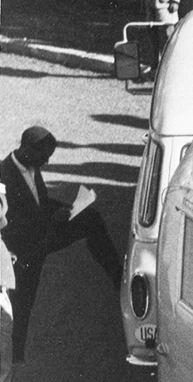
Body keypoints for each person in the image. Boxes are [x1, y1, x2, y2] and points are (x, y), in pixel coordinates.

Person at [1, 127, 124, 366]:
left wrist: (63, 209)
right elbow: (9, 223)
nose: (46, 162)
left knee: (91, 219)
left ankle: (118, 276)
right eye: (43, 156)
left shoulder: (31, 167)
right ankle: (14, 359)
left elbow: (41, 202)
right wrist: (51, 220)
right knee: (21, 302)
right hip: (26, 249)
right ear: (27, 149)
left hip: (42, 235)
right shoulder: (4, 175)